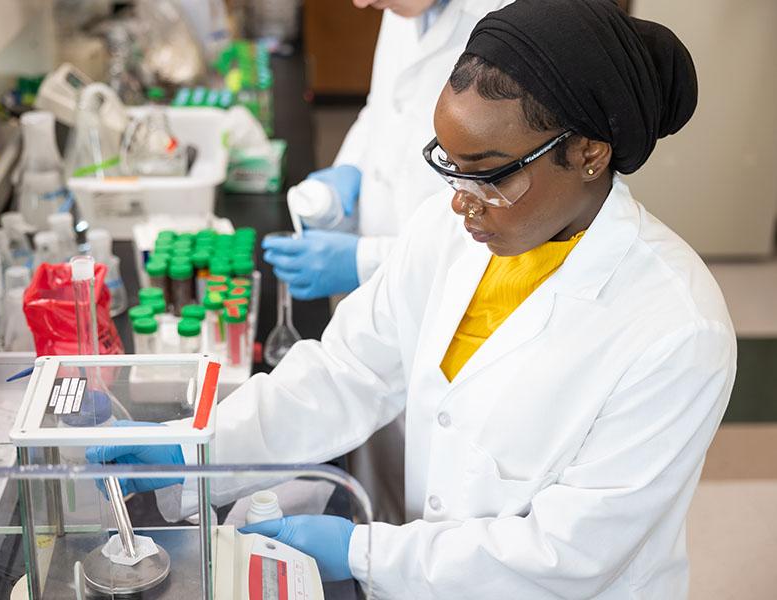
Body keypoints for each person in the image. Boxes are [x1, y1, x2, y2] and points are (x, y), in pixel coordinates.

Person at [88, 1, 736, 597]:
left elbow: (569, 552)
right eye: (449, 165)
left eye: (488, 174)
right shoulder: (448, 233)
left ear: (589, 154)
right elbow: (349, 372)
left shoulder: (677, 329)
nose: (460, 202)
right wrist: (195, 452)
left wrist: (364, 553)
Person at [262, 0, 514, 302]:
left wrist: (364, 262)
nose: (361, 3)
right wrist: (351, 168)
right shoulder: (403, 7)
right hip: (381, 286)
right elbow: (384, 108)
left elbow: (500, 220)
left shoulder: (512, 22)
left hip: (450, 296)